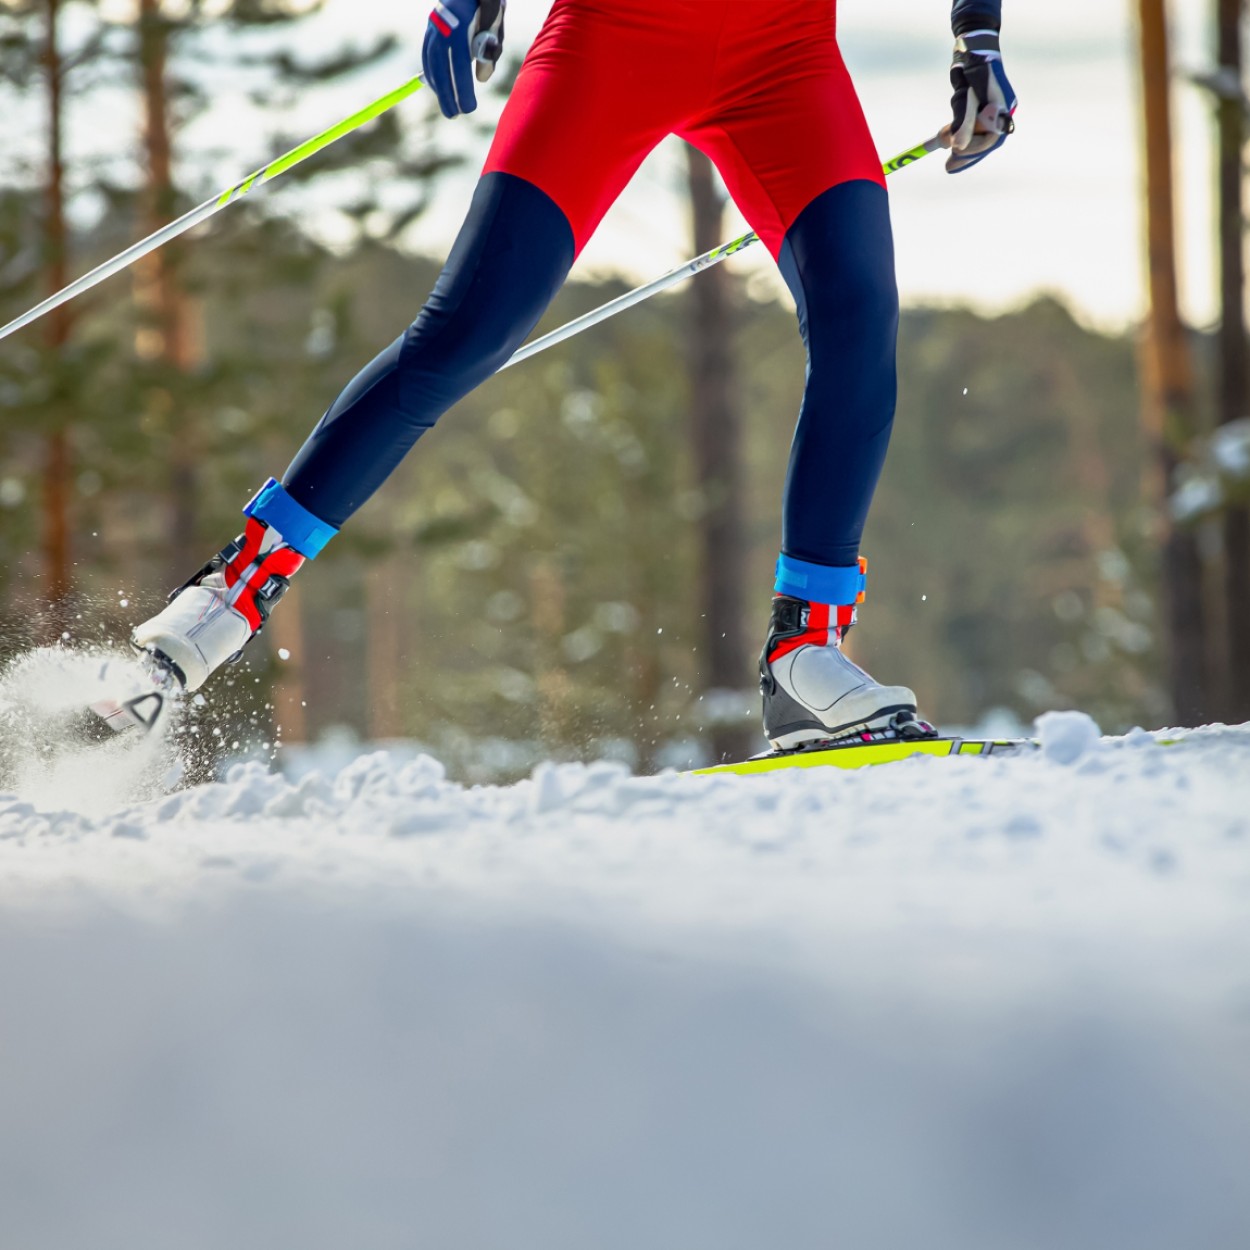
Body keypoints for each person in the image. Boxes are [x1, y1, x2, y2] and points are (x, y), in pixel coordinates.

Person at [130, 0, 1016, 752]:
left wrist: (978, 37)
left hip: (782, 55)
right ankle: (235, 587)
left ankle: (804, 654)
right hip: (616, 36)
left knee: (861, 324)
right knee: (466, 331)